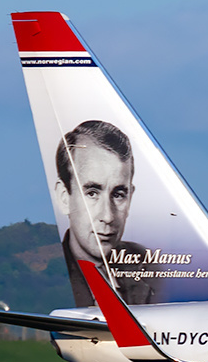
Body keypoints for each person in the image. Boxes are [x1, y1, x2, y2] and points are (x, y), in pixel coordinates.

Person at [56, 120, 160, 306]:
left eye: (118, 195)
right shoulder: (55, 275)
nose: (108, 216)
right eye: (92, 193)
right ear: (65, 197)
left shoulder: (154, 267)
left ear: (130, 197)